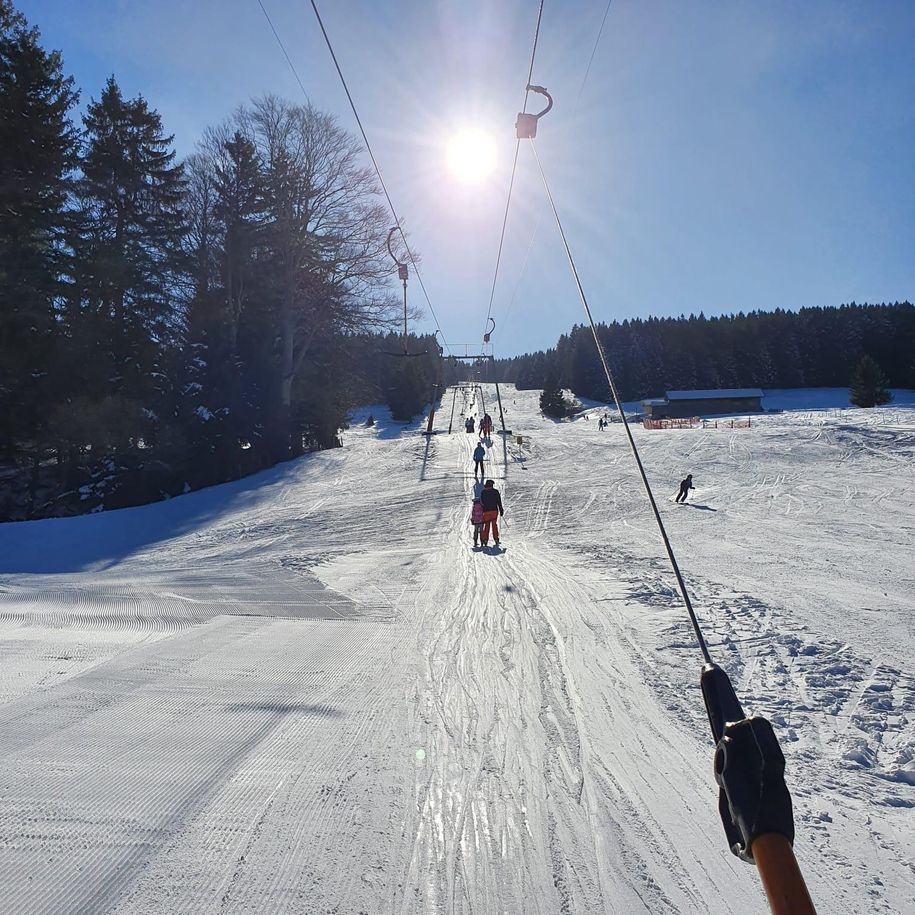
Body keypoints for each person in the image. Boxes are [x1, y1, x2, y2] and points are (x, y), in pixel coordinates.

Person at [480, 479, 504, 547]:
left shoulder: (483, 492)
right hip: (494, 511)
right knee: (494, 525)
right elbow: (499, 501)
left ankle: (485, 540)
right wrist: (501, 509)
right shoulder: (495, 492)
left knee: (487, 525)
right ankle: (496, 539)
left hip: (486, 511)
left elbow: (482, 502)